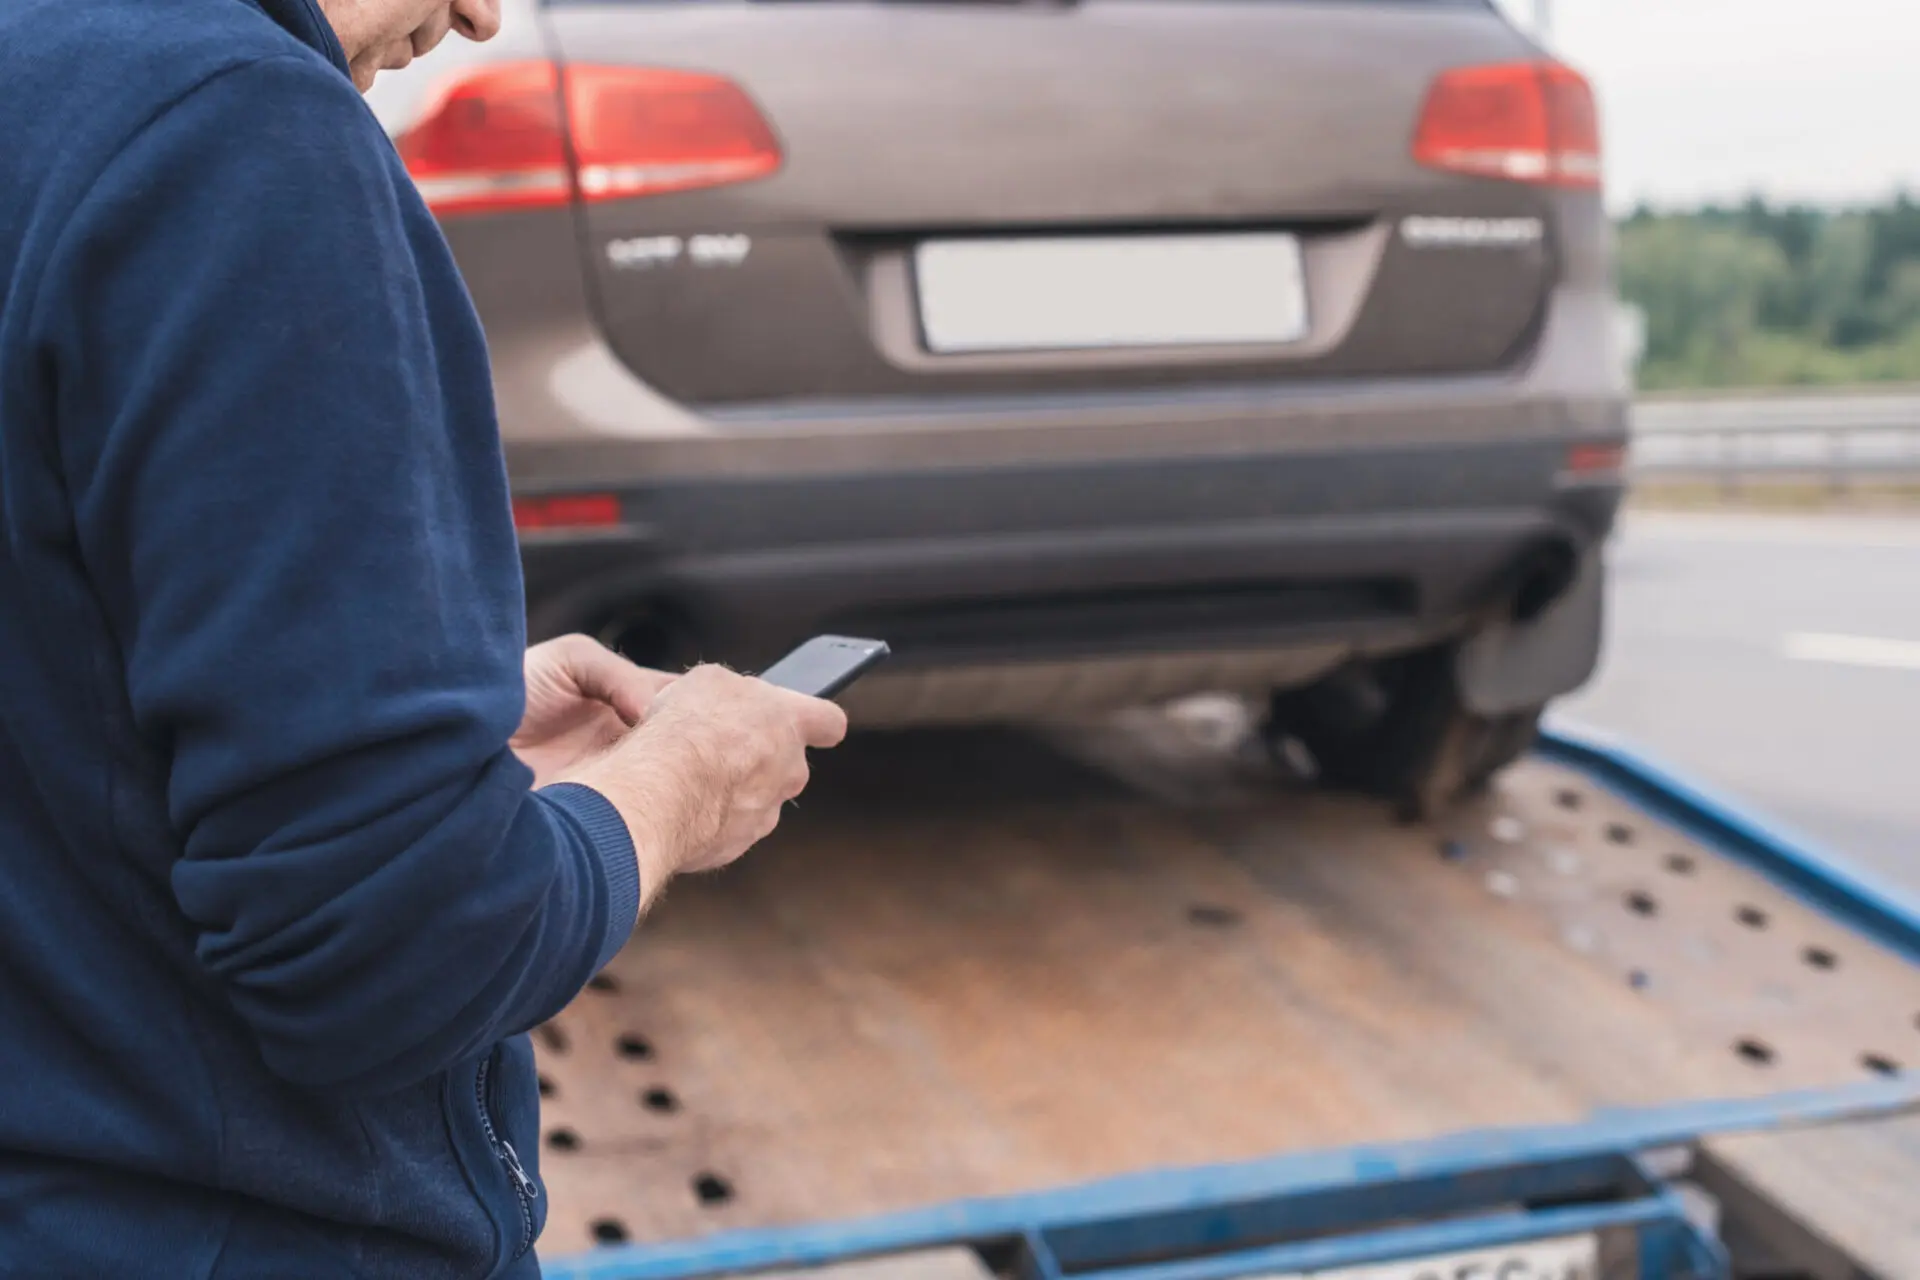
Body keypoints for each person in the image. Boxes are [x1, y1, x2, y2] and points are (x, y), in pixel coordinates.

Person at [0, 0, 848, 1275]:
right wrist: (674, 784)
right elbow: (393, 946)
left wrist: (392, 736)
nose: (479, 11)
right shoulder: (233, 132)